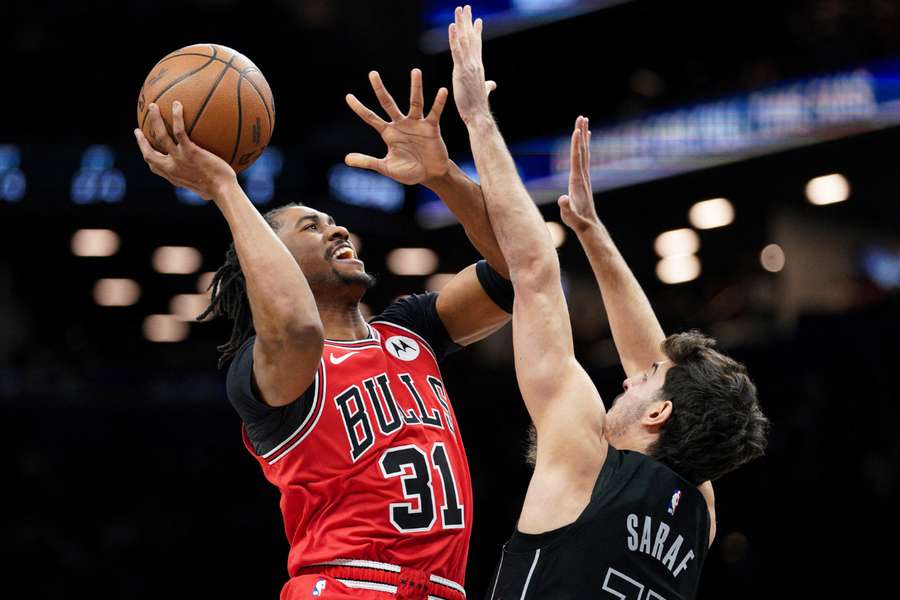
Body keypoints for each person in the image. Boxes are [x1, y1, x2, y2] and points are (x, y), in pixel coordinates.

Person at [134, 68, 514, 600]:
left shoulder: (410, 331)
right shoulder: (264, 367)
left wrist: (442, 175)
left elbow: (519, 267)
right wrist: (224, 188)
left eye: (331, 220)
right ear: (269, 260)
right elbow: (295, 326)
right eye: (310, 226)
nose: (337, 228)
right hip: (345, 586)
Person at [445, 6, 769, 599]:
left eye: (645, 380)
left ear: (658, 413)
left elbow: (535, 272)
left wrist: (477, 118)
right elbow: (656, 360)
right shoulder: (698, 514)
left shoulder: (582, 461)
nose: (628, 378)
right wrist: (592, 231)